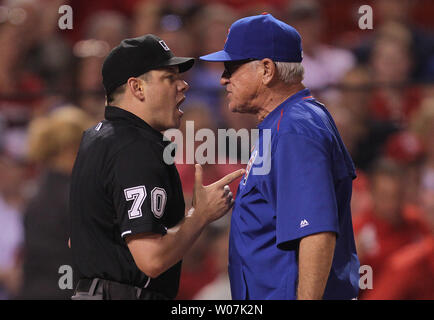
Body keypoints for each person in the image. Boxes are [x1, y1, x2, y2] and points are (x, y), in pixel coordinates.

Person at [69, 34, 244, 300]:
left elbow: (78, 241)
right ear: (137, 88)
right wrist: (200, 215)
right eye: (169, 78)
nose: (184, 85)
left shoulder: (95, 137)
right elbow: (151, 260)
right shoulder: (137, 147)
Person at [200, 13, 360, 300]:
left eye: (232, 67)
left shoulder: (293, 129)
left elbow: (315, 232)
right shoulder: (290, 120)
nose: (223, 78)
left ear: (266, 70)